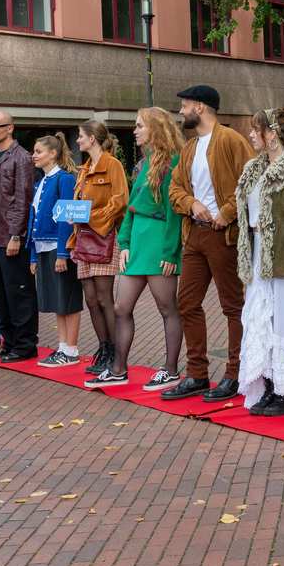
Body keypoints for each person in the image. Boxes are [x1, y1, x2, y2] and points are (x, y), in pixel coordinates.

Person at [161, 85, 252, 402]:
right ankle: (197, 374)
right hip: (195, 233)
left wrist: (226, 213)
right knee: (186, 303)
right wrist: (191, 204)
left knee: (234, 306)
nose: (181, 112)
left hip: (224, 234)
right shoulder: (189, 147)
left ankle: (235, 374)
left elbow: (249, 182)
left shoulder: (231, 140)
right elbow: (173, 189)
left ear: (200, 107)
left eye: (184, 106)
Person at [87, 107, 185, 389]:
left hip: (159, 240)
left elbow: (174, 211)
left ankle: (170, 369)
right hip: (139, 240)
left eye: (140, 125)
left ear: (155, 128)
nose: (135, 130)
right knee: (121, 307)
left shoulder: (172, 163)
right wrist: (125, 242)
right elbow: (131, 208)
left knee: (167, 308)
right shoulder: (144, 164)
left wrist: (170, 252)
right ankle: (118, 369)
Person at [232, 107, 284, 414]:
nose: (252, 134)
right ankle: (268, 383)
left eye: (257, 129)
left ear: (273, 133)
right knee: (261, 319)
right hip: (258, 253)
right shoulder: (254, 169)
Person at [71, 120, 129, 376]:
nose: (78, 141)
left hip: (103, 237)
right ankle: (103, 348)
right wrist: (71, 214)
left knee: (105, 297)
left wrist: (90, 217)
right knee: (91, 299)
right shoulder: (83, 170)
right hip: (83, 239)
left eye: (81, 137)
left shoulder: (112, 165)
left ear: (92, 138)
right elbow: (78, 204)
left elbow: (120, 202)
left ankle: (115, 352)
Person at [0, 111, 38, 363]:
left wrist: (16, 234)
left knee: (19, 292)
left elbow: (23, 198)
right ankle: (9, 342)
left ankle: (25, 345)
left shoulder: (21, 157)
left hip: (11, 237)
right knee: (1, 294)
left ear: (10, 128)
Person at [27, 133, 83, 367]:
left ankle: (71, 349)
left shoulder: (65, 179)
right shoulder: (41, 182)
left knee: (68, 298)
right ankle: (62, 346)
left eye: (38, 151)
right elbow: (33, 218)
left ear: (53, 153)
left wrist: (62, 252)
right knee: (57, 300)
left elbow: (67, 219)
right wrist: (32, 254)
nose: (34, 156)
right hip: (41, 246)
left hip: (59, 247)